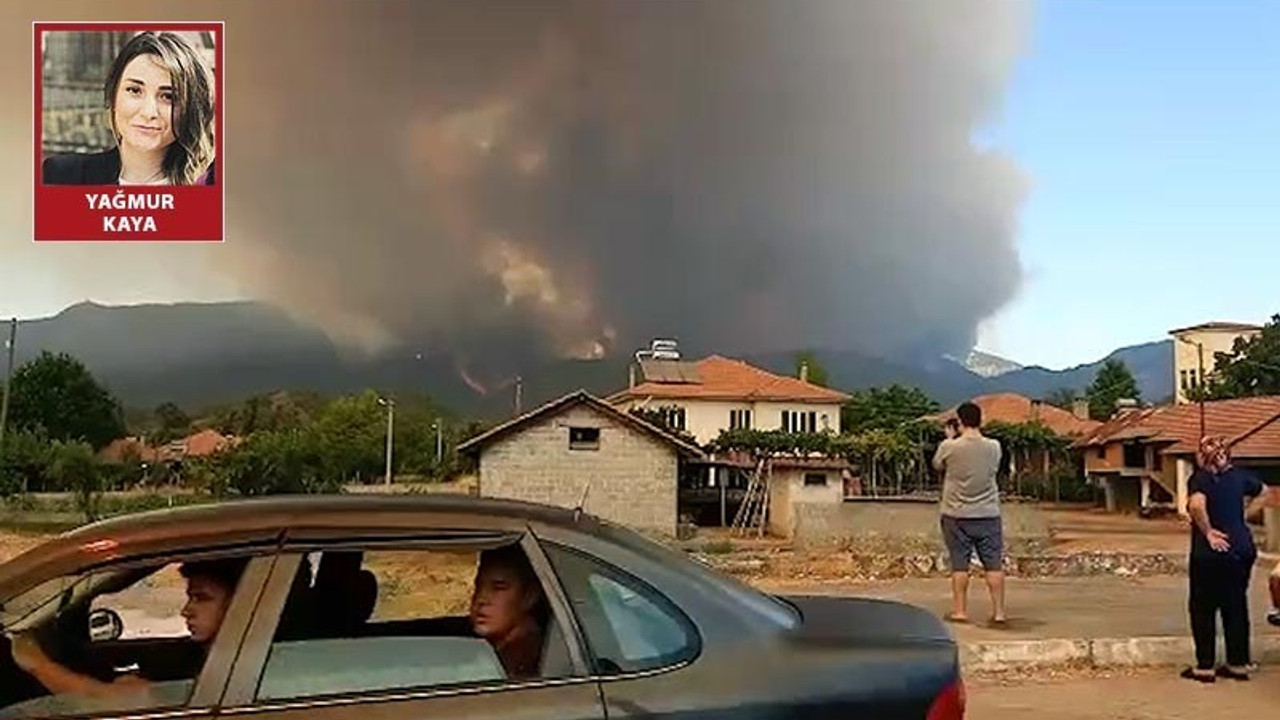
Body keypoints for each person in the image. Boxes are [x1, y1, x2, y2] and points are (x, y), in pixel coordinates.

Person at [11, 557, 246, 698]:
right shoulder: (203, 657)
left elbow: (108, 701)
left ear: (242, 601)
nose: (186, 610)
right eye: (190, 598)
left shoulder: (241, 665)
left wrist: (37, 664)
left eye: (201, 598)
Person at [42, 31, 215, 186]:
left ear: (191, 108)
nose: (149, 112)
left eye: (168, 97)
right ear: (113, 95)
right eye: (134, 90)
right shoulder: (62, 176)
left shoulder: (212, 186)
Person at [1181, 436, 1263, 683]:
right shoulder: (1241, 477)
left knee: (1203, 607)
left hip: (1211, 553)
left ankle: (1205, 667)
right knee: (1235, 605)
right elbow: (1265, 493)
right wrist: (1243, 518)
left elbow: (1196, 505)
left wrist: (1208, 532)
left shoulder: (1202, 478)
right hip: (1242, 548)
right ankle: (1238, 664)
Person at [933, 401, 1006, 626]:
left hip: (956, 514)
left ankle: (960, 611)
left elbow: (937, 465)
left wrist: (949, 438)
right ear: (980, 420)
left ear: (960, 422)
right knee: (993, 564)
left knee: (959, 564)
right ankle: (999, 612)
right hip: (988, 513)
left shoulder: (950, 446)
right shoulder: (995, 446)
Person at [468, 545, 549, 680]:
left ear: (529, 596)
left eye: (499, 588)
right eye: (478, 586)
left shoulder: (531, 662)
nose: (482, 598)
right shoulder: (491, 651)